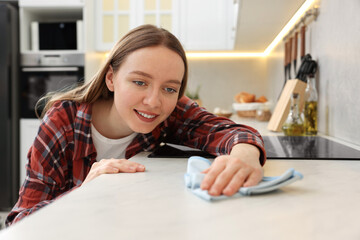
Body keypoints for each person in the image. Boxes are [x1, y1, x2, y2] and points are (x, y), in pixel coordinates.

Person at [6, 24, 266, 226]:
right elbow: (20, 222)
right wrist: (84, 192)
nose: (154, 101)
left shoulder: (171, 112)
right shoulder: (62, 122)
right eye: (140, 82)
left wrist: (245, 153)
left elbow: (230, 132)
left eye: (169, 88)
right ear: (111, 78)